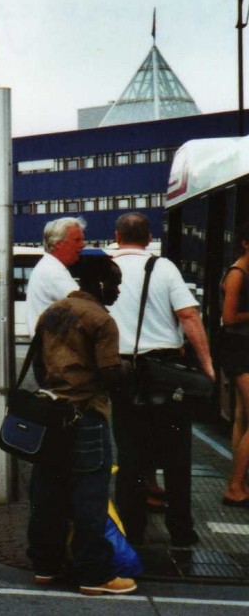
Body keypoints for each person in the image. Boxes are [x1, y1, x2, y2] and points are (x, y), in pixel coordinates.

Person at [26, 251, 134, 596]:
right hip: (86, 415)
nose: (117, 292)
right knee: (89, 495)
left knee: (48, 493)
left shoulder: (53, 312)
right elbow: (110, 374)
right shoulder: (100, 320)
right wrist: (129, 373)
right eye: (115, 285)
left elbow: (39, 367)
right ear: (100, 283)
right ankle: (94, 575)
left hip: (50, 416)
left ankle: (45, 565)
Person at [107, 212, 215, 547]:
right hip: (164, 372)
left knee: (130, 454)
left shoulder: (101, 267)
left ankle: (132, 529)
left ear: (116, 235)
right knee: (176, 453)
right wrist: (207, 365)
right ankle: (181, 530)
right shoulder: (163, 267)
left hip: (120, 370)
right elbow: (188, 315)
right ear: (148, 237)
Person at [219, 222, 249, 507]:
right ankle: (235, 486)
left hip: (242, 347)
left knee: (242, 417)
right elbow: (229, 318)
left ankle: (238, 483)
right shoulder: (238, 274)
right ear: (245, 243)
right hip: (239, 350)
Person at [24, 217, 86, 334]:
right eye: (77, 240)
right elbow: (86, 307)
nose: (83, 245)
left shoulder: (49, 265)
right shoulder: (53, 272)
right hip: (53, 347)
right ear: (58, 243)